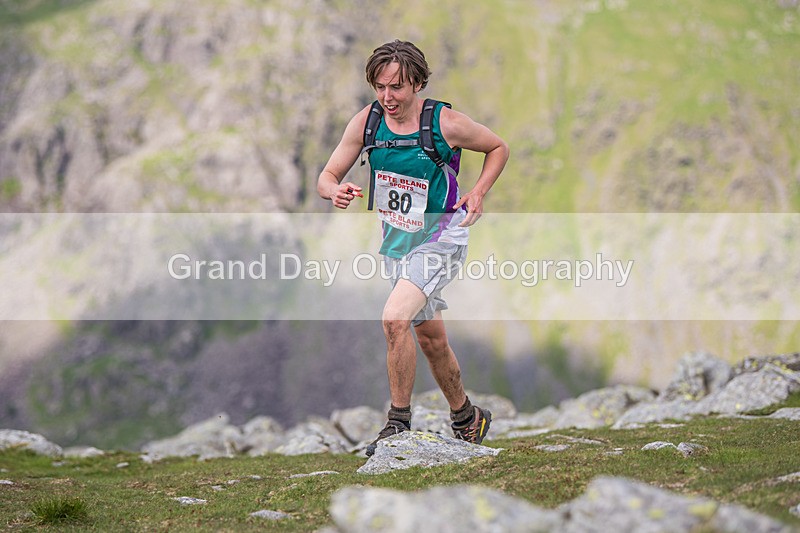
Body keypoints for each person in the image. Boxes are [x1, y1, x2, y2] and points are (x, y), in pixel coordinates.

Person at [317, 40, 509, 456]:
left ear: (418, 84)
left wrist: (477, 192)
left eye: (398, 87)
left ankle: (398, 424)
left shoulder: (445, 122)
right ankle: (467, 418)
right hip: (397, 245)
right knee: (431, 341)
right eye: (380, 87)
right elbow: (327, 175)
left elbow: (498, 147)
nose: (388, 97)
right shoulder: (367, 123)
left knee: (393, 319)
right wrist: (336, 190)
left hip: (441, 238)